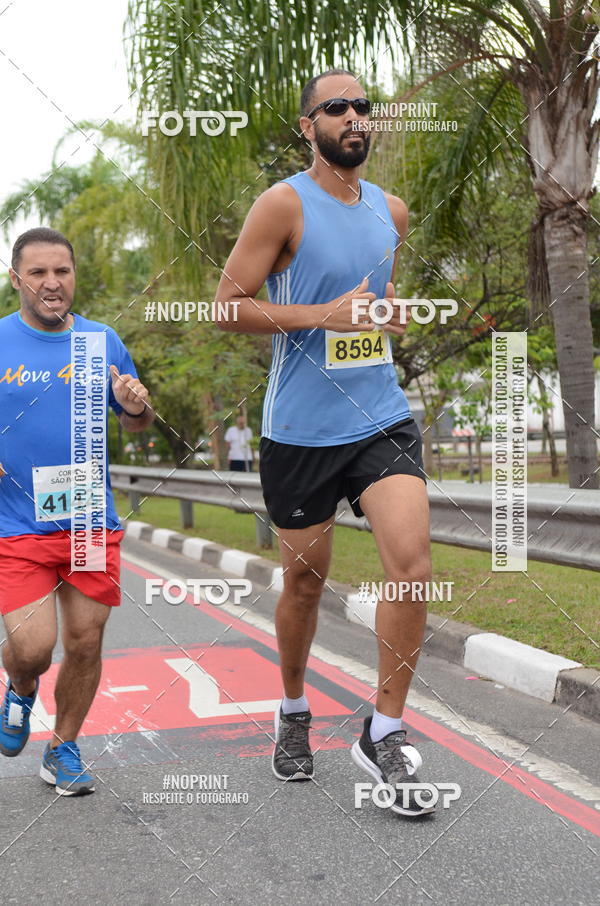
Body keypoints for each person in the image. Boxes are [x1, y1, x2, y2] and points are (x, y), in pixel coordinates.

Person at [215, 70, 433, 816]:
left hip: (379, 415)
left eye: (362, 107)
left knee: (411, 561)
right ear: (308, 126)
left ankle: (386, 729)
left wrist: (385, 314)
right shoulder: (283, 203)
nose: (352, 117)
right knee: (304, 582)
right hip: (301, 431)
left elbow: (370, 302)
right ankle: (293, 706)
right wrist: (322, 316)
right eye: (335, 107)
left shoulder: (391, 212)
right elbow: (227, 308)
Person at [0, 227, 154, 796]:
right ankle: (19, 686)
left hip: (89, 517)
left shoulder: (100, 341)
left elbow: (134, 418)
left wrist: (137, 408)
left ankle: (62, 748)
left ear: (73, 276)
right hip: (16, 522)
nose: (51, 283)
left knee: (85, 642)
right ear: (17, 280)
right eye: (37, 272)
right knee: (35, 649)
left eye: (61, 271)